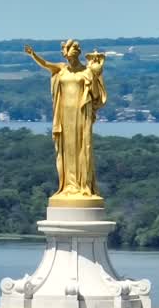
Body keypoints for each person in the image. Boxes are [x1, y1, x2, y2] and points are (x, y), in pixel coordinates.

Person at [24, 39, 107, 203]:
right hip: (64, 114)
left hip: (82, 113)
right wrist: (33, 55)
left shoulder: (87, 71)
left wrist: (96, 75)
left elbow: (96, 95)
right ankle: (68, 185)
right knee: (67, 149)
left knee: (82, 147)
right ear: (66, 53)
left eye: (76, 49)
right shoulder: (61, 69)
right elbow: (46, 64)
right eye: (70, 49)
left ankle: (83, 185)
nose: (73, 52)